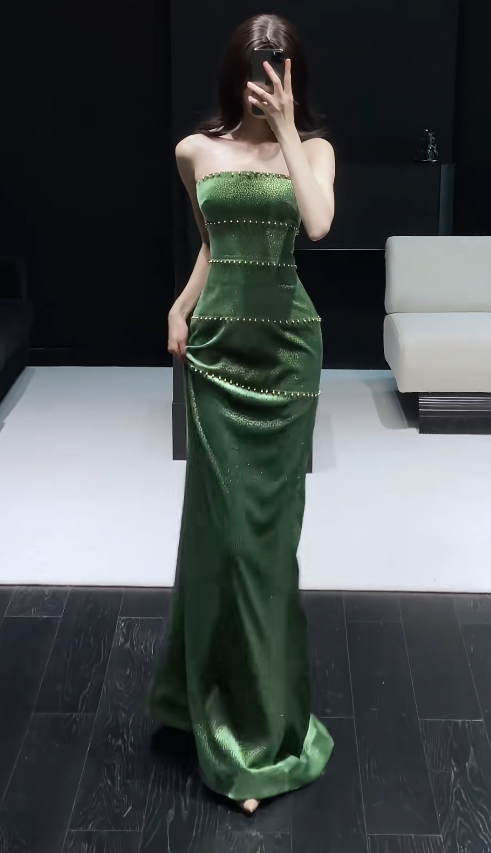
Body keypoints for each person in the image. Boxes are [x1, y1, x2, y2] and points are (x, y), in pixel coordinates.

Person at [147, 13, 336, 814]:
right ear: (234, 73)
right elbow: (214, 243)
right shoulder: (196, 151)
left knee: (267, 548)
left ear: (294, 74)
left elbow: (316, 223)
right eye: (256, 70)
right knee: (218, 540)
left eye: (280, 70)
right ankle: (200, 701)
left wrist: (288, 129)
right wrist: (180, 304)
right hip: (219, 355)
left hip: (286, 360)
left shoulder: (314, 151)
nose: (266, 84)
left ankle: (260, 738)